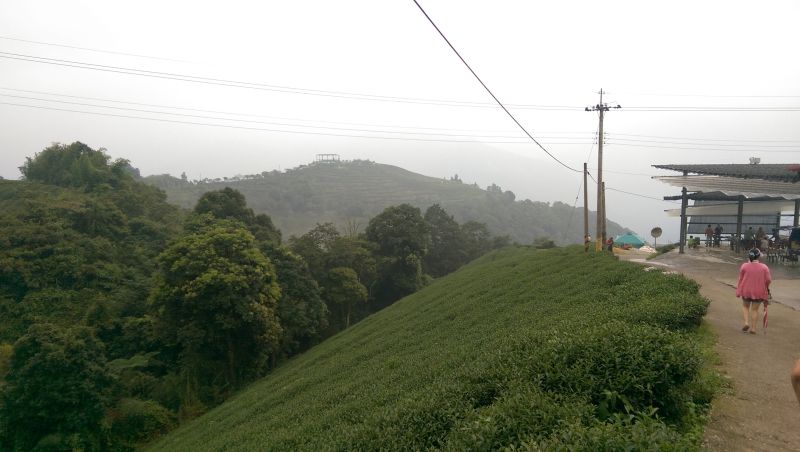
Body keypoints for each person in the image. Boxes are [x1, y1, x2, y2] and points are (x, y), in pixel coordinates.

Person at [736, 248, 772, 334]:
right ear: (758, 256)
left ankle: (746, 323)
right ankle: (753, 329)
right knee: (755, 310)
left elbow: (740, 279)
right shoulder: (764, 267)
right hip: (759, 291)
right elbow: (768, 280)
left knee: (745, 306)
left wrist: (738, 290)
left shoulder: (744, 266)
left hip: (746, 290)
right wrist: (766, 287)